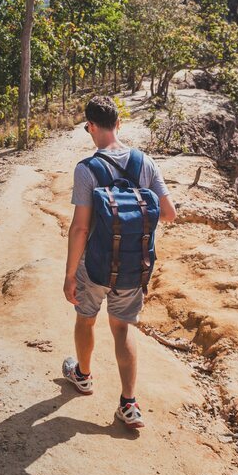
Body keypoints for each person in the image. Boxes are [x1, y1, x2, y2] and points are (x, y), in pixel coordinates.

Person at [62, 95, 176, 428]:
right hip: (133, 266)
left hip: (95, 266)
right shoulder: (146, 163)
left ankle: (83, 376)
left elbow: (80, 227)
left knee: (86, 318)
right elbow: (169, 214)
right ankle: (129, 404)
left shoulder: (86, 169)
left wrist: (70, 275)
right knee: (122, 327)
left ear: (90, 127)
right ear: (119, 124)